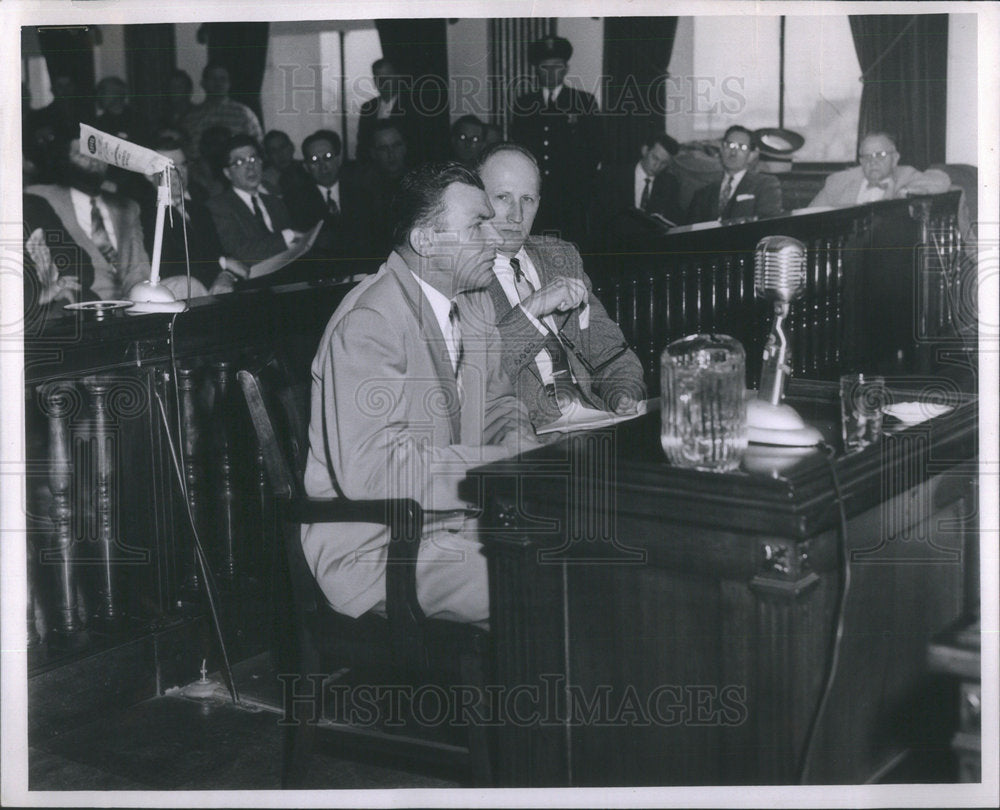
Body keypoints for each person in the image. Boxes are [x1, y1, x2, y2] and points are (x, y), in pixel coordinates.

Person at [301, 161, 538, 625]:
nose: (497, 237)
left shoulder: (470, 303)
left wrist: (520, 450)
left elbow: (499, 402)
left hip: (453, 526)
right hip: (383, 549)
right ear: (425, 240)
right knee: (555, 576)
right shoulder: (371, 322)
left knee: (587, 553)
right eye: (478, 225)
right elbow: (371, 471)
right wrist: (496, 471)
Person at [465, 143, 646, 430]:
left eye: (528, 199)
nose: (517, 215)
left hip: (596, 420)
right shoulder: (461, 278)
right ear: (476, 201)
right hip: (527, 438)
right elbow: (475, 380)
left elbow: (611, 351)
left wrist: (622, 392)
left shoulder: (560, 257)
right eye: (502, 197)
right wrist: (531, 310)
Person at [25, 135, 151, 300]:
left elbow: (139, 267)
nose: (94, 160)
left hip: (133, 300)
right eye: (82, 154)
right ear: (65, 160)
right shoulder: (41, 197)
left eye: (99, 153)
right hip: (84, 301)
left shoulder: (127, 207)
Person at [508, 36, 603, 245]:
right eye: (544, 67)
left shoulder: (584, 101)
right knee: (534, 246)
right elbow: (518, 148)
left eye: (557, 67)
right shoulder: (525, 103)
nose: (551, 73)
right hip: (534, 192)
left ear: (566, 68)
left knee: (571, 246)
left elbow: (596, 149)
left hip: (572, 195)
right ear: (536, 69)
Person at [138, 136, 248, 297]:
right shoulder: (144, 214)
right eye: (169, 167)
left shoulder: (199, 209)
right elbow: (167, 268)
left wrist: (225, 275)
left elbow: (220, 252)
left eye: (183, 165)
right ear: (149, 175)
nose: (179, 172)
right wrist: (221, 264)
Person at [280, 129, 370, 268]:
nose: (323, 166)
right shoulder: (294, 202)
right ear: (306, 167)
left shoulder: (362, 195)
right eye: (314, 160)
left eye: (328, 157)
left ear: (338, 160)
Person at [206, 134, 298, 267]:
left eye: (253, 158)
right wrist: (288, 236)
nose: (250, 167)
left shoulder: (275, 202)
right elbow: (240, 253)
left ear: (261, 162)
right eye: (239, 162)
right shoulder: (218, 207)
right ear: (227, 173)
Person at [591, 131, 684, 249]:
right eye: (655, 158)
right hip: (615, 247)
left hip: (651, 248)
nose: (657, 166)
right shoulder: (613, 176)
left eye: (664, 163)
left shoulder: (670, 183)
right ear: (645, 150)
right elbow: (600, 220)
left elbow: (674, 220)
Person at [809, 131, 952, 207]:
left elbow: (942, 181)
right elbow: (808, 216)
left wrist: (906, 191)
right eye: (867, 156)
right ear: (860, 161)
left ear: (895, 158)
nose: (872, 162)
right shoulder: (838, 181)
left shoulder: (905, 175)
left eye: (880, 155)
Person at [686, 125, 783, 224]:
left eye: (742, 147)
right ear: (722, 149)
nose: (733, 153)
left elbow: (768, 224)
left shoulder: (765, 184)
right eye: (730, 145)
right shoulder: (704, 192)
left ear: (751, 155)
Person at [182, 63, 264, 163]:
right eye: (213, 78)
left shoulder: (244, 114)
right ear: (203, 83)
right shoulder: (192, 117)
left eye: (223, 79)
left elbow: (258, 146)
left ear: (229, 83)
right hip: (202, 172)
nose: (218, 83)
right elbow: (186, 152)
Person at [356, 58, 412, 163]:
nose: (383, 83)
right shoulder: (367, 108)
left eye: (388, 77)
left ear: (398, 78)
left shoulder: (411, 107)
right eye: (379, 78)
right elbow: (362, 147)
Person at [261, 129, 309, 194]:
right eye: (273, 151)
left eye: (283, 147)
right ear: (267, 155)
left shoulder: (307, 168)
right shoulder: (264, 180)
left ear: (292, 147)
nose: (280, 154)